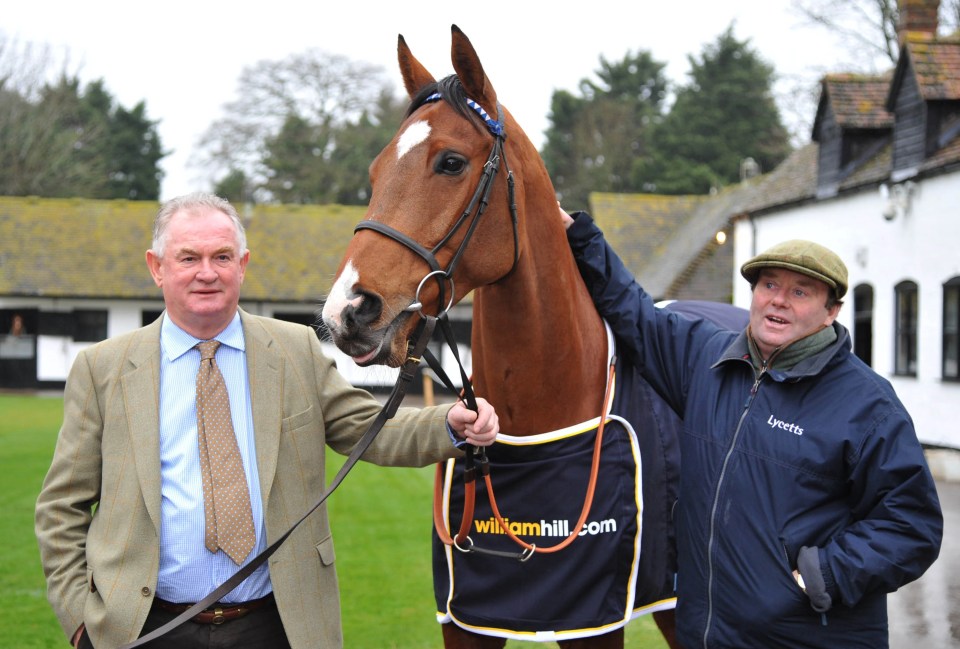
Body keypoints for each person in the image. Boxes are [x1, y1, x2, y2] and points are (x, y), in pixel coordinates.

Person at [35, 192, 499, 649]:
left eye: (222, 256)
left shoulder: (294, 350)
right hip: (144, 628)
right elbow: (61, 508)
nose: (207, 273)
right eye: (188, 258)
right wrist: (81, 621)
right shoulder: (103, 368)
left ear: (243, 264)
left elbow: (369, 429)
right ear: (157, 267)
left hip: (273, 625)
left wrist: (450, 424)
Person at [560, 207, 942, 649]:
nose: (778, 300)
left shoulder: (867, 404)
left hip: (804, 638)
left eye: (801, 291)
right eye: (769, 285)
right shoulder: (706, 359)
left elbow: (911, 525)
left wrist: (823, 575)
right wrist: (581, 236)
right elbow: (635, 313)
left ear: (831, 311)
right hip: (707, 633)